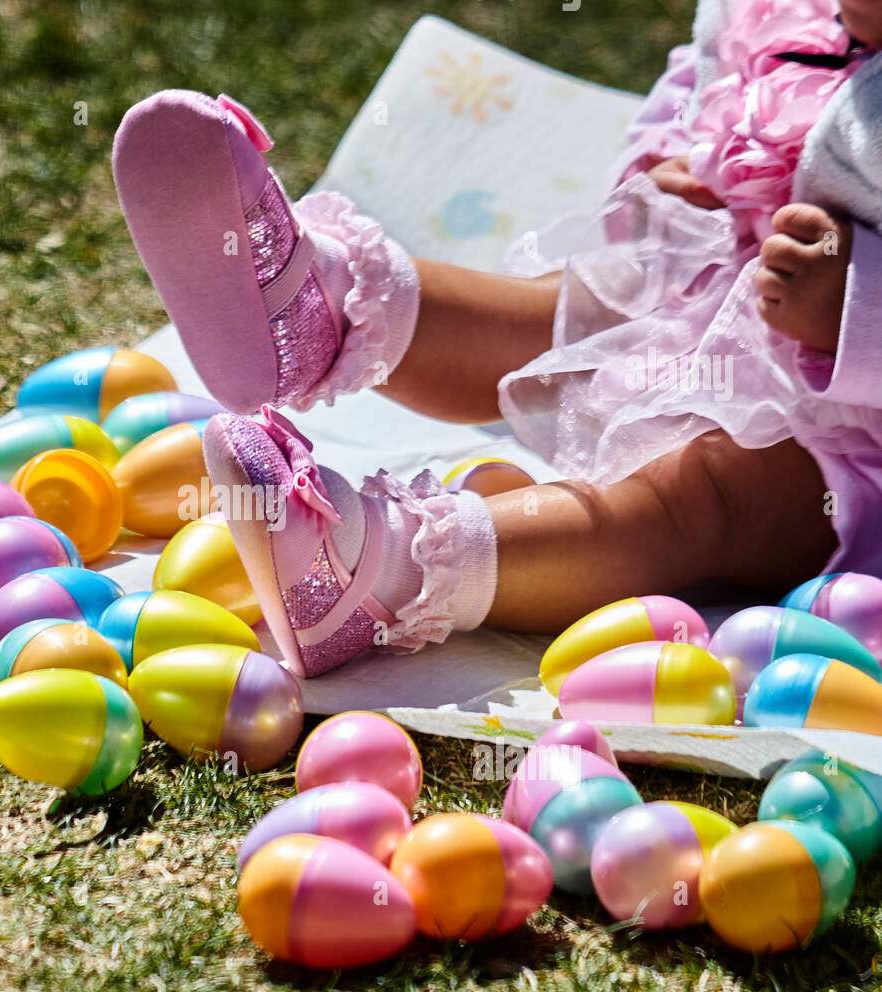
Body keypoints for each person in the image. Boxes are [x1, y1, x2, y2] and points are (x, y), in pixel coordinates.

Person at [111, 0, 882, 678]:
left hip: (845, 446)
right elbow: (702, 77)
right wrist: (661, 159)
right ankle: (312, 309)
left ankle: (378, 570)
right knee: (556, 323)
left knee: (702, 491)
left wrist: (855, 305)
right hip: (720, 296)